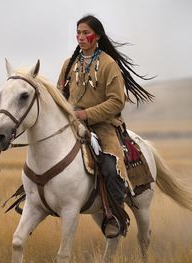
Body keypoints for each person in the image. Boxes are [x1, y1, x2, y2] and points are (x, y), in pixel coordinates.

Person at [57, 15, 154, 237]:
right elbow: (59, 94)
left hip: (103, 126)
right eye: (78, 32)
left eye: (85, 33)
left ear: (97, 36)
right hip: (72, 123)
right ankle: (35, 195)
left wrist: (86, 114)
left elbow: (116, 102)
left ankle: (114, 216)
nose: (81, 37)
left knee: (111, 167)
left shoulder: (109, 65)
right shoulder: (69, 64)